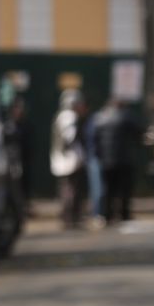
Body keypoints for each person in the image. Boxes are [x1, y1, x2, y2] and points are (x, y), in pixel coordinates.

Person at [92, 97, 142, 224]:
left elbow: (93, 139)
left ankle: (107, 214)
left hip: (105, 160)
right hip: (123, 159)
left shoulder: (99, 118)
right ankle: (124, 214)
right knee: (124, 189)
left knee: (108, 188)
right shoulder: (125, 116)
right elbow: (138, 132)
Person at [49, 88, 87, 229]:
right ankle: (70, 217)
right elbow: (69, 138)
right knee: (70, 190)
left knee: (68, 189)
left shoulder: (62, 116)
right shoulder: (69, 116)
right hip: (69, 160)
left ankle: (70, 217)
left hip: (65, 160)